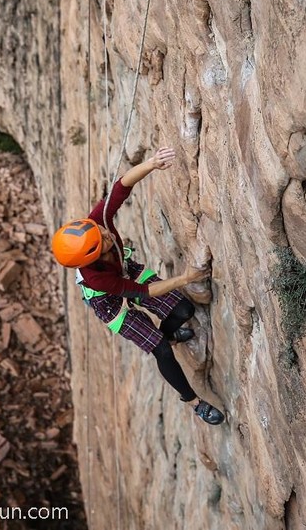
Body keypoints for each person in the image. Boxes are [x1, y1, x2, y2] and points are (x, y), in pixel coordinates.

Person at [51, 147, 225, 425]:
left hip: (124, 271)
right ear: (92, 256)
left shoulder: (96, 223)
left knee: (182, 311)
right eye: (103, 240)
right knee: (161, 350)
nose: (107, 233)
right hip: (108, 302)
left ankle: (168, 334)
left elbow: (122, 186)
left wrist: (151, 163)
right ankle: (194, 401)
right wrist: (185, 278)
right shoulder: (95, 276)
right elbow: (141, 293)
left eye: (101, 231)